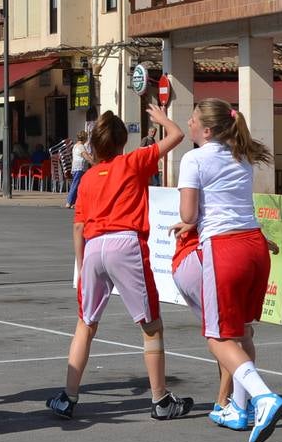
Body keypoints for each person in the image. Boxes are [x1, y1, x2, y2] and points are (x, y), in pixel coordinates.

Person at [47, 103, 190, 421]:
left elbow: (78, 227)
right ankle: (160, 399)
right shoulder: (133, 161)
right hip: (125, 243)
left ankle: (68, 397)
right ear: (123, 141)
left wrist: (82, 266)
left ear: (94, 145)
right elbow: (178, 135)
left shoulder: (86, 180)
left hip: (94, 247)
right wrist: (162, 119)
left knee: (85, 323)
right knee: (151, 326)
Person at [169, 98, 282, 442]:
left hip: (225, 249)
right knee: (242, 331)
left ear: (205, 129)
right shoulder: (242, 155)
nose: (187, 124)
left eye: (190, 120)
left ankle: (263, 396)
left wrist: (186, 220)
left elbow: (189, 216)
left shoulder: (194, 159)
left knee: (218, 336)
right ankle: (238, 406)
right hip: (254, 245)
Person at [64, 130, 92, 208]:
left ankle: (74, 203)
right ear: (85, 138)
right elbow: (86, 156)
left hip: (76, 167)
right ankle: (69, 202)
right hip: (80, 168)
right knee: (76, 185)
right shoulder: (81, 147)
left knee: (79, 185)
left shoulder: (76, 146)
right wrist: (94, 163)